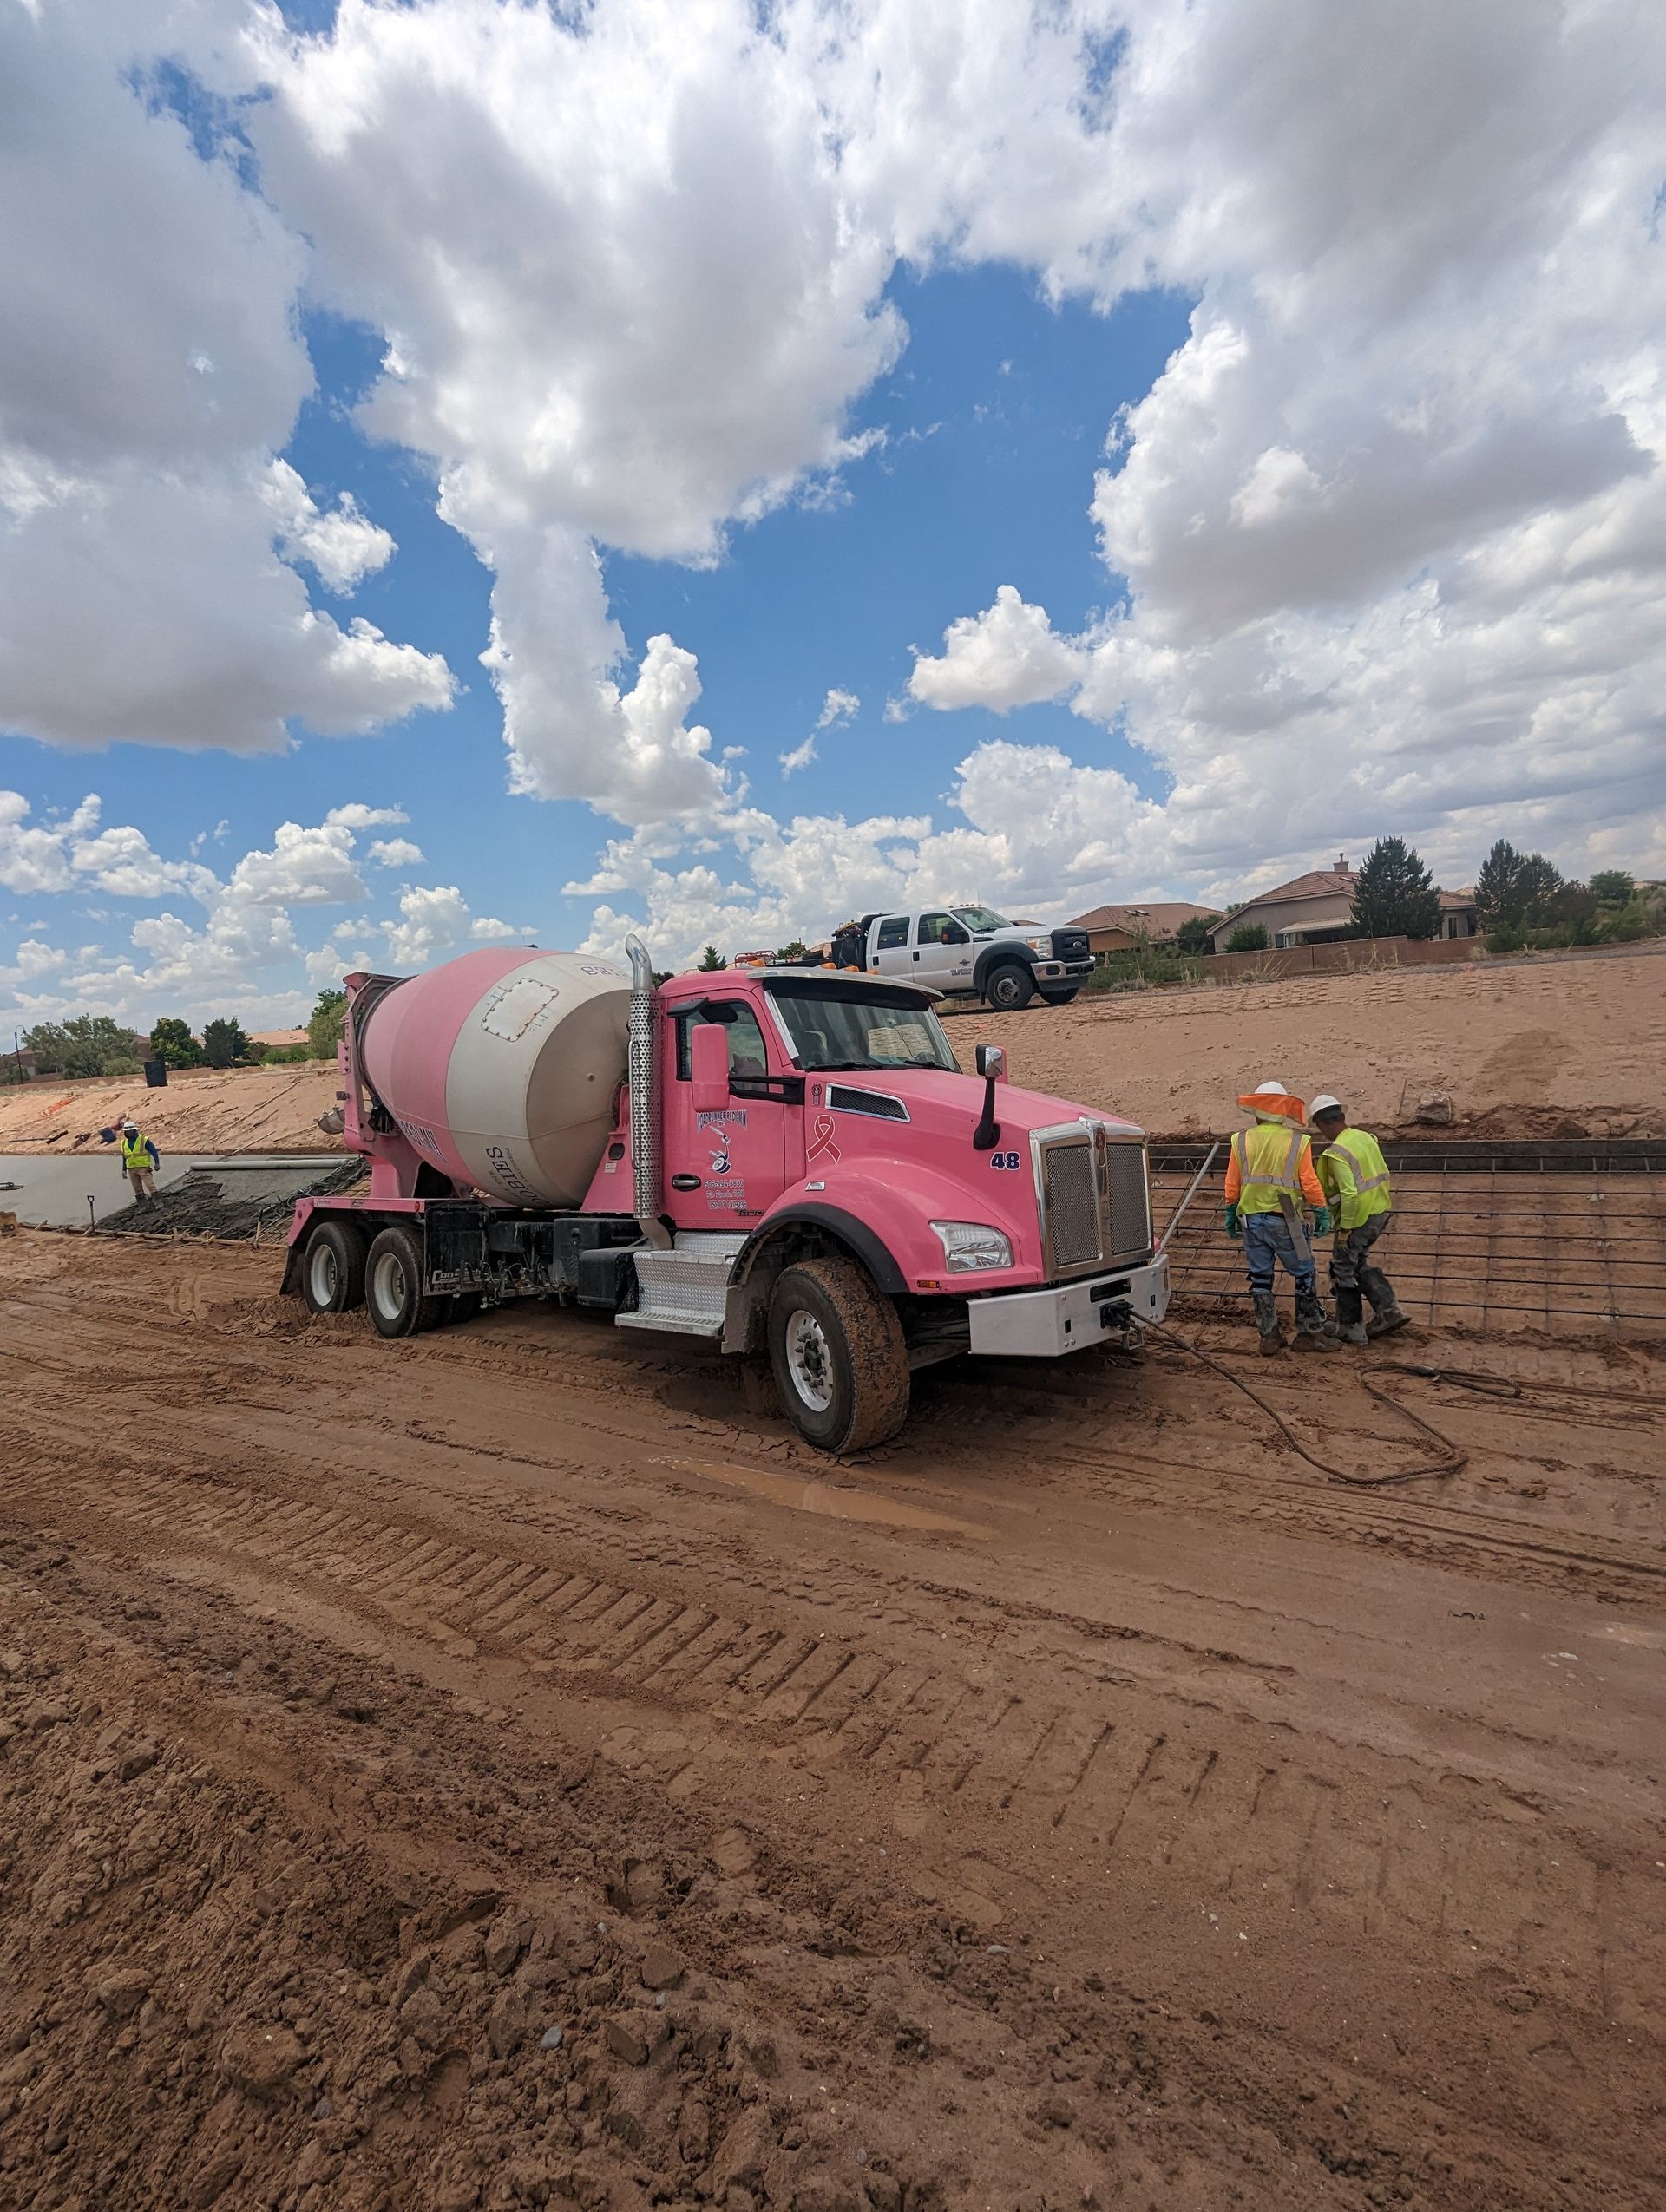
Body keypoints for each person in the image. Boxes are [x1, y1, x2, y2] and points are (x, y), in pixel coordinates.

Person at [1223, 1080, 1340, 1356]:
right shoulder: (1298, 1141)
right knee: (1305, 1274)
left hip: (1250, 1218)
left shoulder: (1240, 1140)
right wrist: (1321, 1211)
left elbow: (1233, 1182)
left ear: (1258, 1110)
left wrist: (1231, 1212)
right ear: (1283, 1110)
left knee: (1261, 1278)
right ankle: (1309, 1333)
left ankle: (1269, 1336)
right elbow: (1309, 1182)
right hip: (1287, 1216)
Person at [1309, 1094, 1408, 1345]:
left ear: (1323, 1123)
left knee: (1342, 1268)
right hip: (1379, 1212)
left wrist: (1345, 1230)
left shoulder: (1337, 1152)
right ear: (1341, 1116)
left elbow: (1350, 1195)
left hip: (1357, 1219)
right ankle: (1389, 1310)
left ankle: (1350, 1328)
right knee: (1357, 1262)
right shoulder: (1365, 1138)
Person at [119, 1118, 161, 1201]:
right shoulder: (123, 1143)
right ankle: (143, 1206)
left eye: (131, 1131)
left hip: (143, 1168)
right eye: (127, 1131)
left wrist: (157, 1163)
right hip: (131, 1169)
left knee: (150, 1186)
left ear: (135, 1131)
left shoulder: (143, 1140)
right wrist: (124, 1170)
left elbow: (153, 1151)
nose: (129, 1133)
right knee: (137, 1189)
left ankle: (158, 1202)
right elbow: (125, 1157)